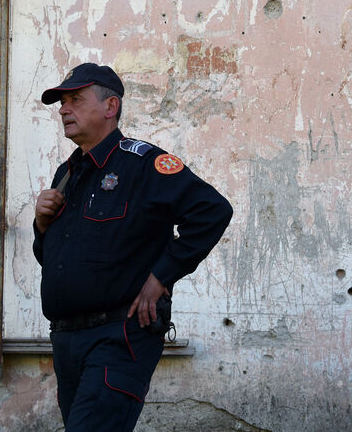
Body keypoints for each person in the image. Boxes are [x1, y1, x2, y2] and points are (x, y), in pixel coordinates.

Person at [33, 62, 232, 431]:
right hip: (67, 339)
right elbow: (56, 259)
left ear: (110, 108)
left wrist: (161, 277)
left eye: (75, 99)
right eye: (62, 102)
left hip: (118, 336)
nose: (63, 109)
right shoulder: (69, 173)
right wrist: (41, 226)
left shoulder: (142, 164)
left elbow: (212, 211)